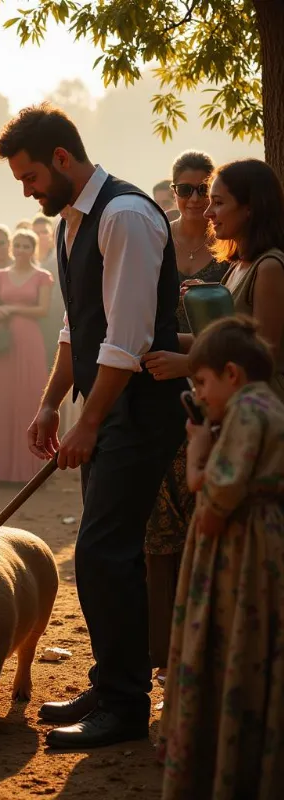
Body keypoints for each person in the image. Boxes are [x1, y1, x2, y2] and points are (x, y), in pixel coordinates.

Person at [0, 102, 187, 747]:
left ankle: (126, 706)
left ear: (63, 159)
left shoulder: (127, 215)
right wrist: (52, 403)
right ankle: (112, 682)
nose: (26, 190)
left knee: (108, 553)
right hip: (104, 407)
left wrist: (90, 420)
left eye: (30, 177)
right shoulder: (70, 221)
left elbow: (126, 341)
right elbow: (79, 327)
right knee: (104, 557)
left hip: (139, 410)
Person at [158, 316, 284, 799]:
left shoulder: (246, 413)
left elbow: (211, 501)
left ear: (232, 373)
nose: (201, 394)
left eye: (202, 382)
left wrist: (197, 449)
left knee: (233, 645)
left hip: (241, 553)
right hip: (262, 546)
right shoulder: (268, 406)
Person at [141, 151, 227, 685]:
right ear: (172, 191)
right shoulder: (157, 241)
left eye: (204, 189)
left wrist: (181, 352)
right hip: (155, 397)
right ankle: (160, 654)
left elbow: (243, 333)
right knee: (157, 533)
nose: (195, 199)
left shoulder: (230, 248)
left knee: (205, 523)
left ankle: (204, 651)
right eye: (185, 189)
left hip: (213, 399)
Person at [204, 159, 284, 399]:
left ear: (250, 208)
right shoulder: (238, 265)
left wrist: (187, 363)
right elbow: (218, 340)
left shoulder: (269, 267)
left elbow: (261, 356)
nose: (208, 213)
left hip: (261, 408)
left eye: (218, 203)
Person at [0, 230, 53, 484]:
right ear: (12, 248)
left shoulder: (42, 276)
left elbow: (43, 310)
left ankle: (30, 468)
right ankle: (0, 470)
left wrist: (11, 308)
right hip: (4, 343)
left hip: (29, 341)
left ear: (33, 249)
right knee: (2, 400)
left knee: (28, 399)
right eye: (18, 245)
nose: (22, 249)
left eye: (26, 245)